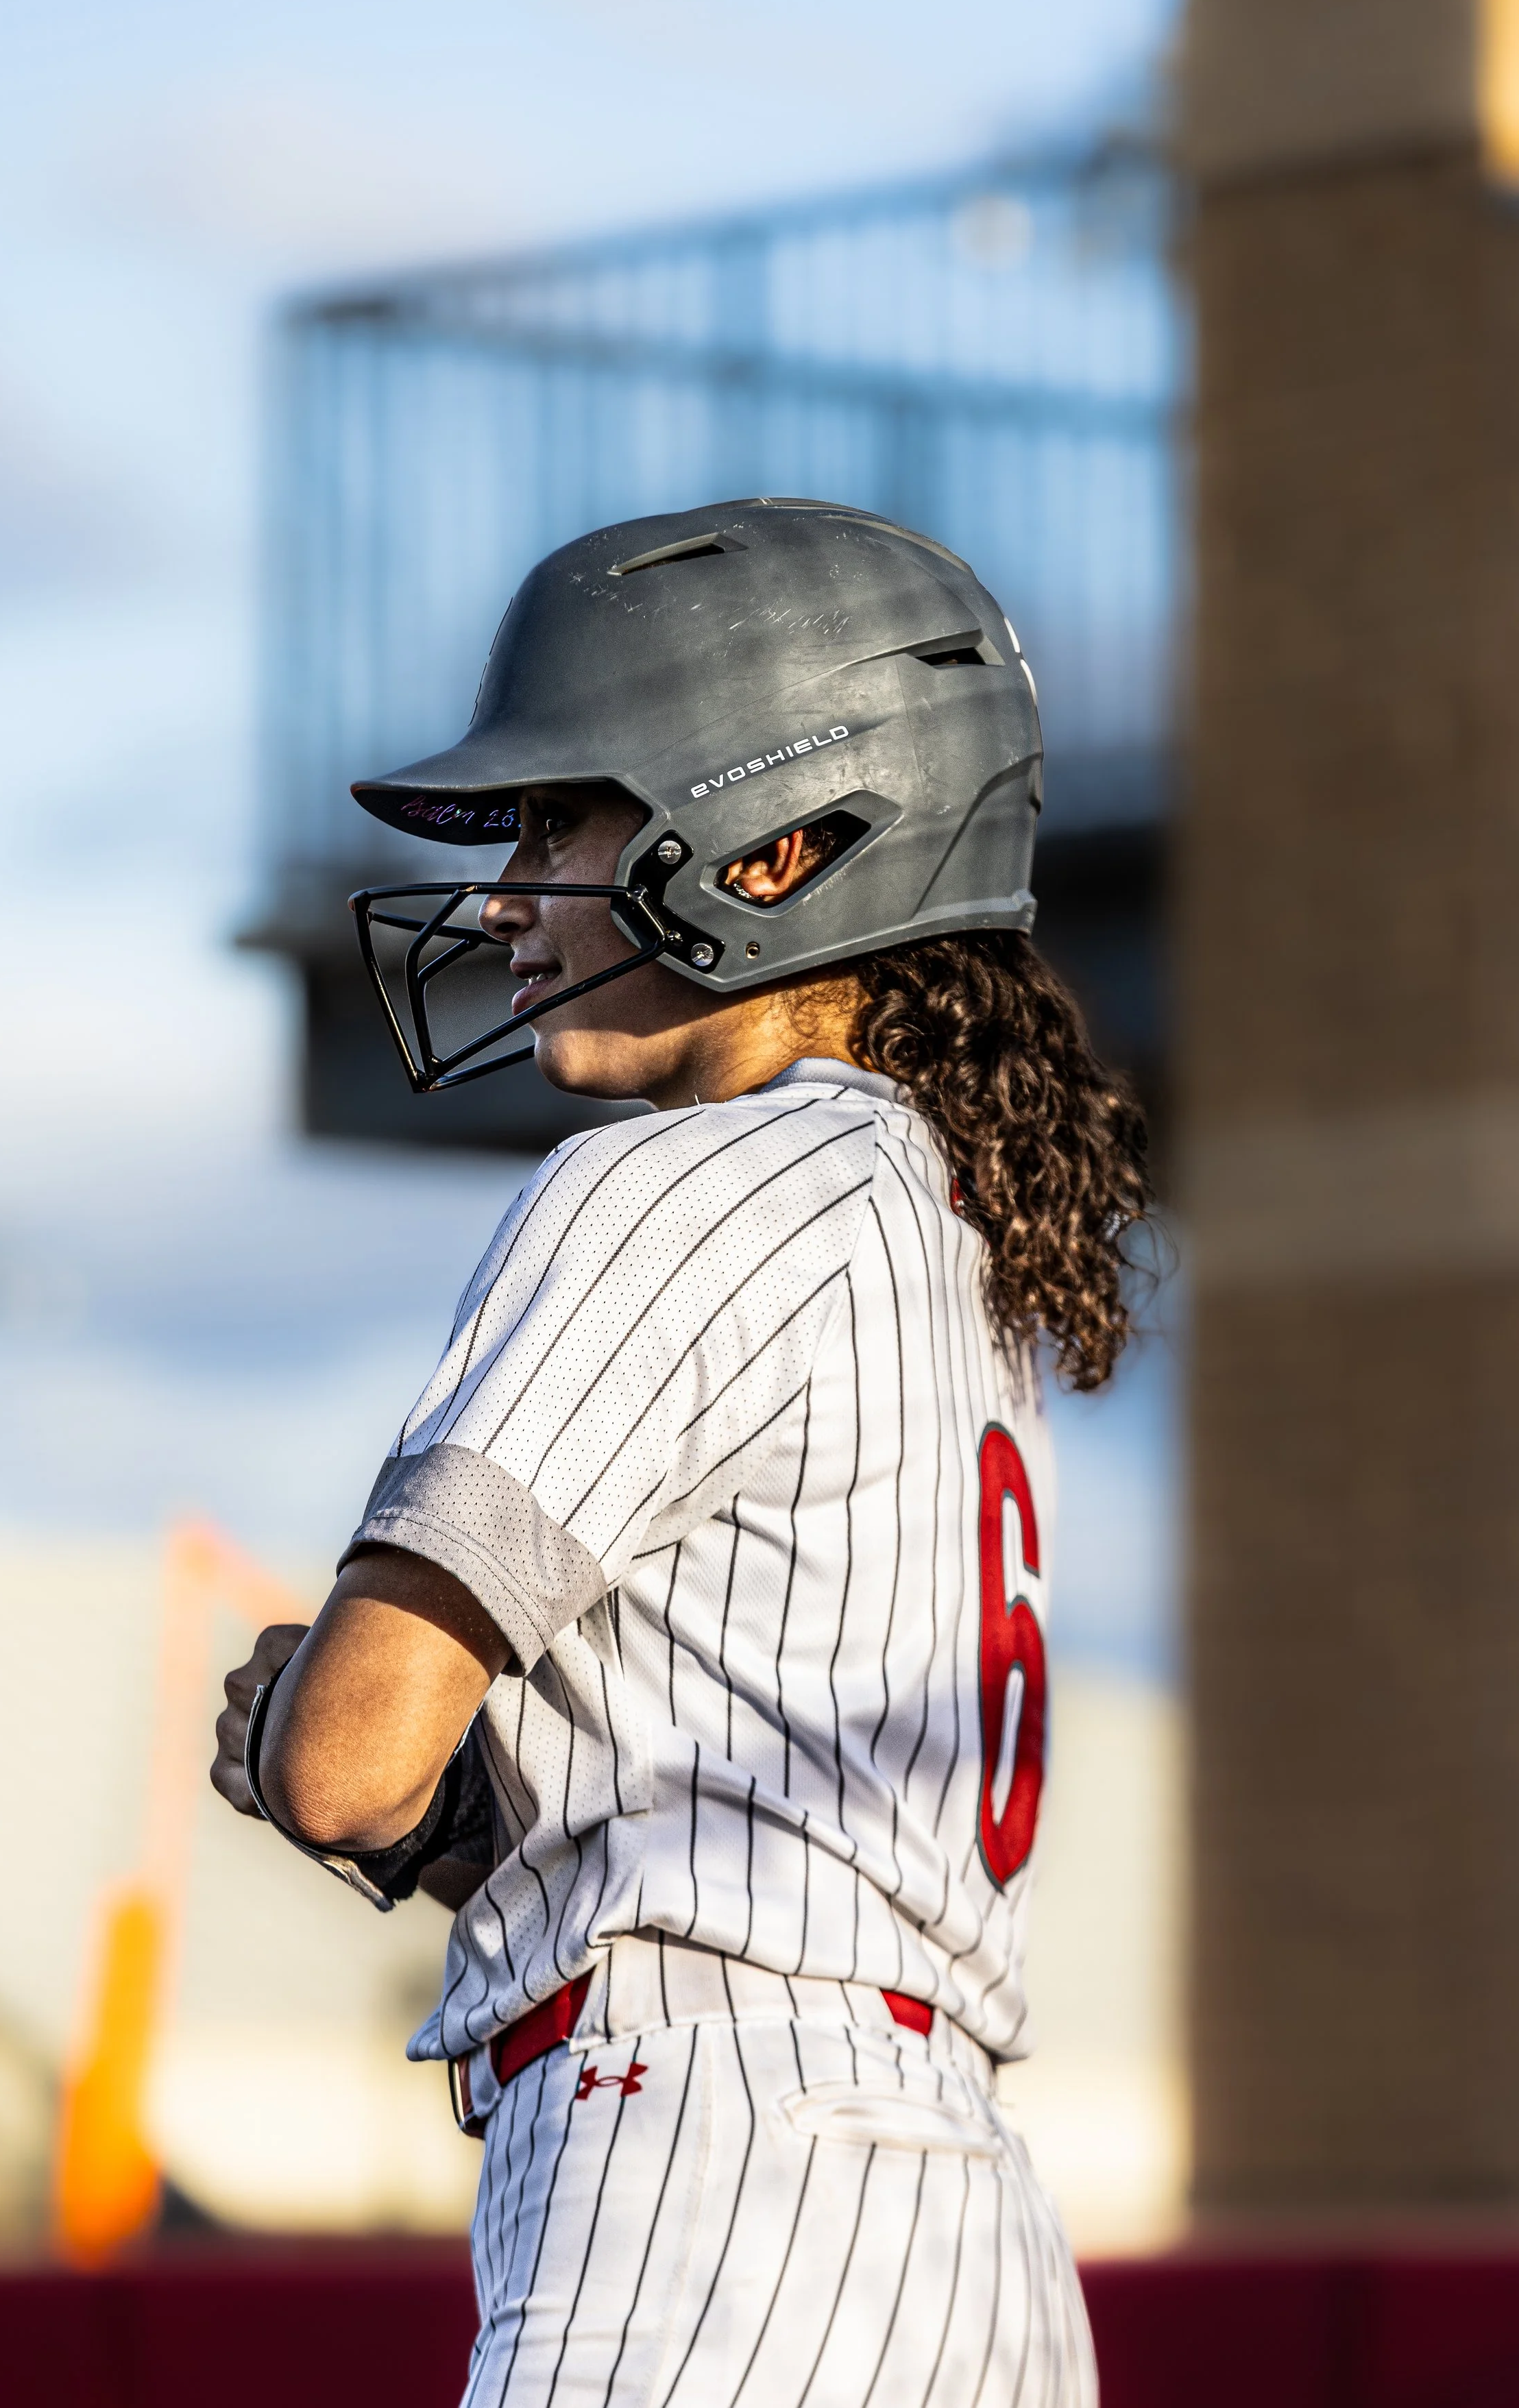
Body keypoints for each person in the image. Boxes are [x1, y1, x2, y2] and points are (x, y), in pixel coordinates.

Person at [212, 500, 1150, 2404]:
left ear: (777, 845)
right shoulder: (948, 1218)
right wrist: (491, 1811)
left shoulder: (676, 1176)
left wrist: (343, 1738)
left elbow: (345, 1755)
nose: (499, 897)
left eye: (561, 821)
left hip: (708, 2187)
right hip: (963, 2229)